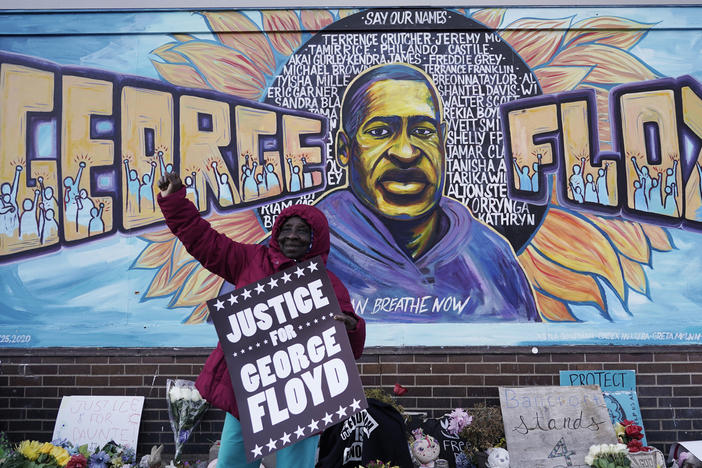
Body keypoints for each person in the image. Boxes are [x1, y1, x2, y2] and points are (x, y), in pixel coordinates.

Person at [157, 171, 366, 468]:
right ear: (276, 232)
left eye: (303, 231)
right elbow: (203, 240)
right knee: (231, 462)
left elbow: (353, 347)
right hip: (252, 391)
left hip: (304, 395)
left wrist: (352, 327)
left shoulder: (327, 284)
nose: (293, 235)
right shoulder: (250, 261)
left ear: (315, 239)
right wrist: (175, 201)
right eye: (287, 228)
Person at [315, 63, 539, 322]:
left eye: (423, 132)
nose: (405, 153)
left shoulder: (490, 256)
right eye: (379, 132)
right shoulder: (303, 254)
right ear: (345, 149)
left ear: (442, 142)